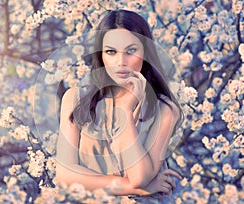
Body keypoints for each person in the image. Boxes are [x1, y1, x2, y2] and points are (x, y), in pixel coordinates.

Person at [55, 9, 183, 197]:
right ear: (101, 54)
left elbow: (139, 176)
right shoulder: (75, 99)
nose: (121, 62)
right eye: (111, 52)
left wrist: (125, 109)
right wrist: (135, 188)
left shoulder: (164, 109)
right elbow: (65, 175)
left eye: (131, 51)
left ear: (145, 53)